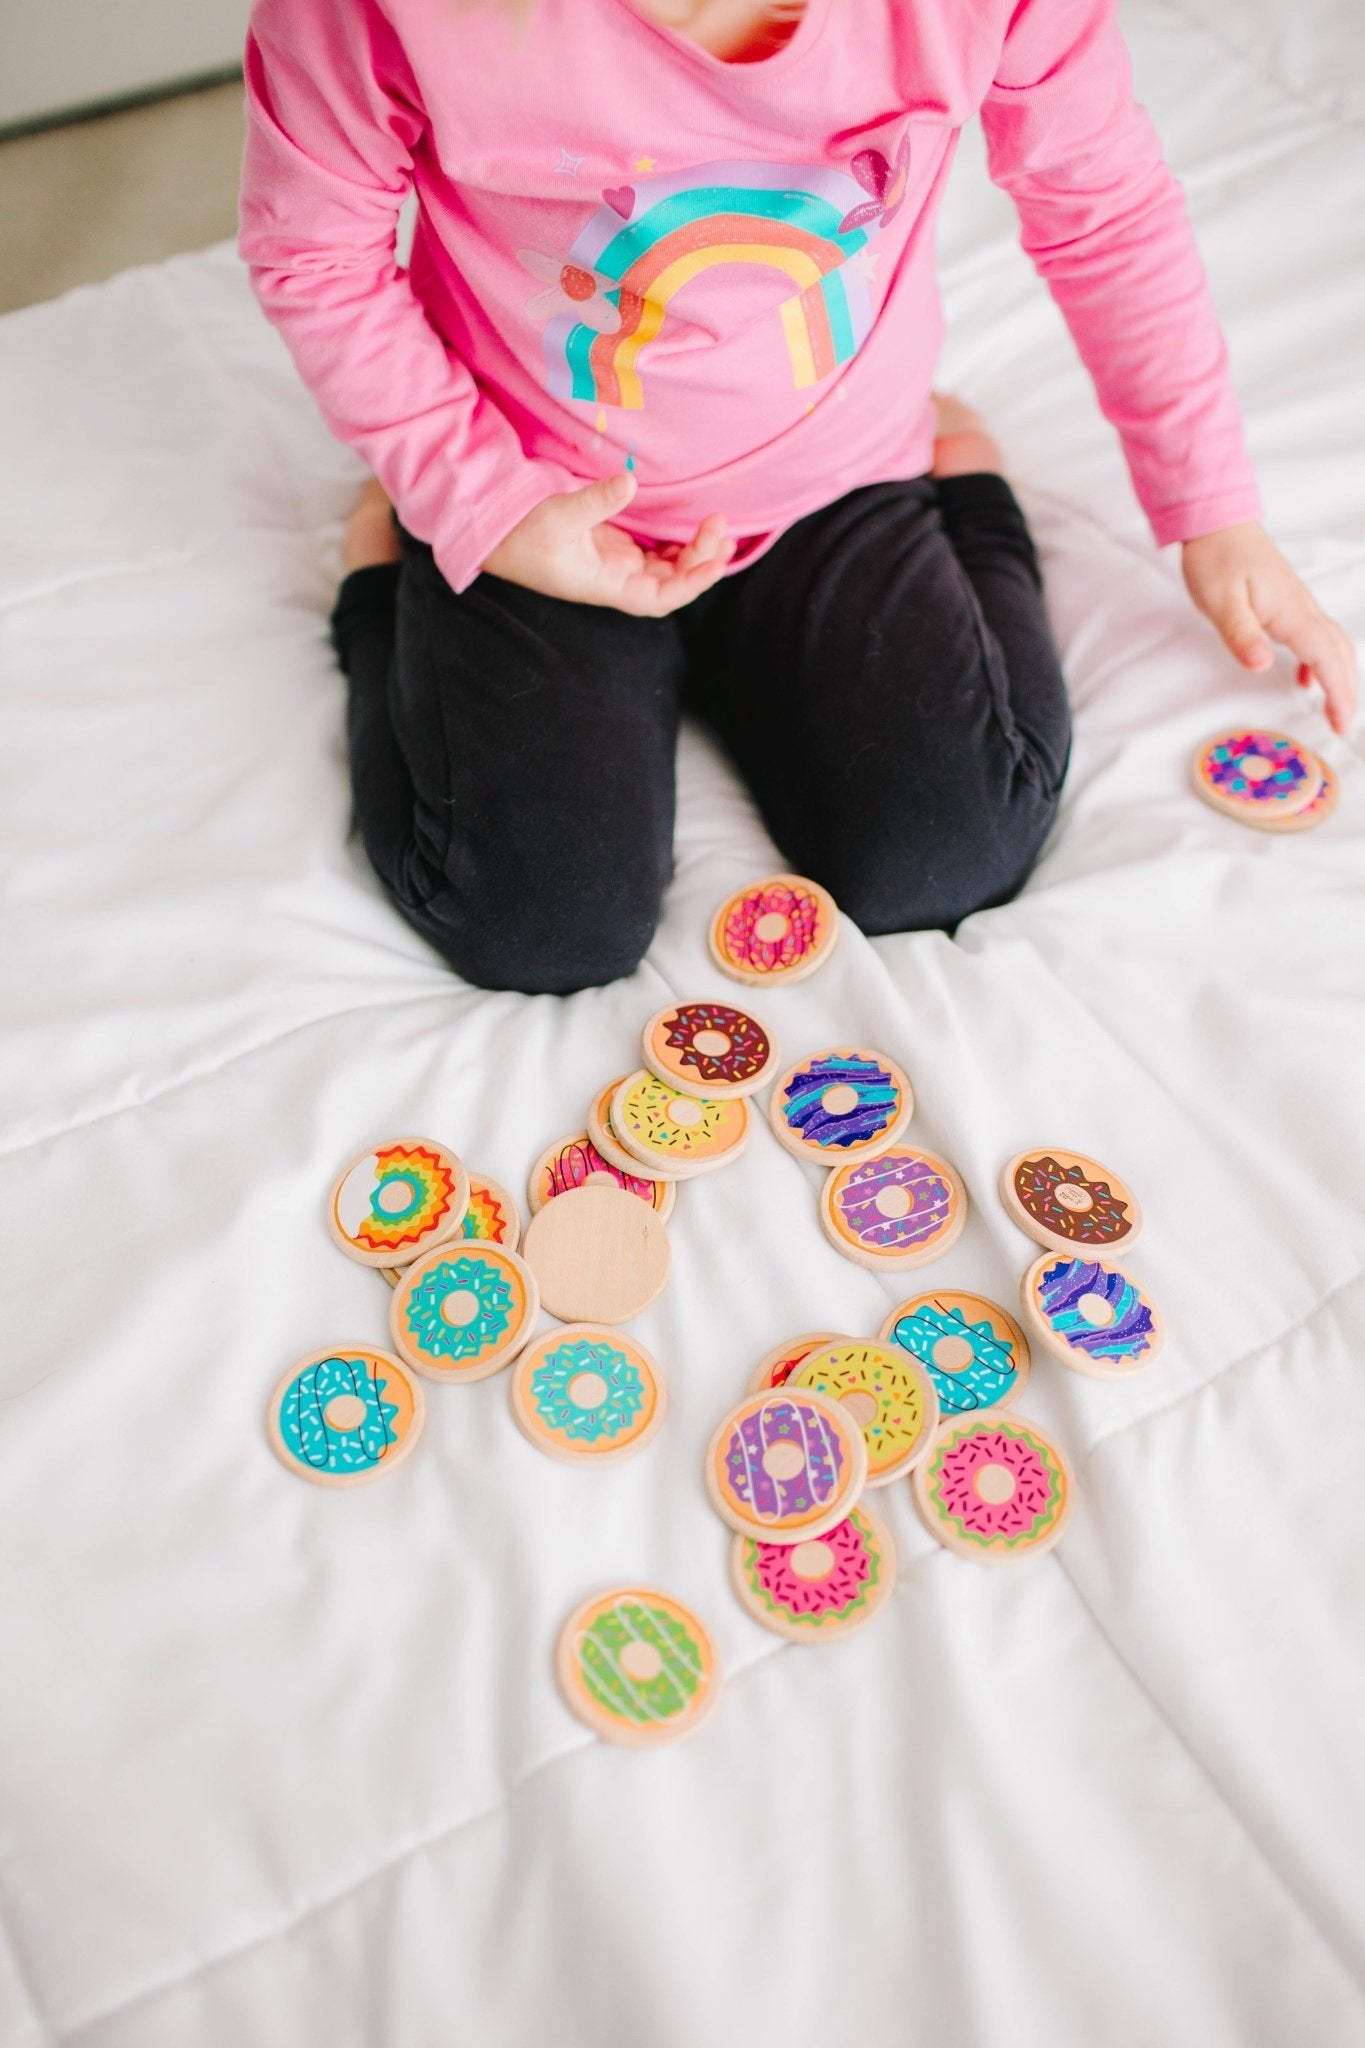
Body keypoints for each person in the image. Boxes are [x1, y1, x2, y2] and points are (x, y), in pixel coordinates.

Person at [238, 0, 1356, 994]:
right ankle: (380, 565)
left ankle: (964, 469)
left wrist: (1212, 509)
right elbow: (316, 256)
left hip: (837, 478)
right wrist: (477, 498)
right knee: (533, 923)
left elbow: (1102, 210)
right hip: (537, 500)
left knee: (947, 854)